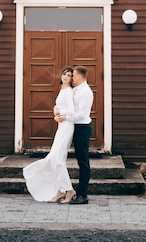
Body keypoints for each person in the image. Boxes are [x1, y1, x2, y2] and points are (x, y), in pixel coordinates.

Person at [23, 67, 76, 203]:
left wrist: (61, 115)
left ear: (72, 79)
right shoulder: (62, 89)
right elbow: (59, 106)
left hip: (67, 126)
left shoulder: (69, 91)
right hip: (62, 125)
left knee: (58, 159)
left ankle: (69, 190)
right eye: (64, 74)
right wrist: (56, 111)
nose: (65, 77)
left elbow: (71, 110)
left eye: (69, 75)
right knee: (56, 158)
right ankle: (59, 191)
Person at [55, 65, 93, 205]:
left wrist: (65, 117)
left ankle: (83, 194)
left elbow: (82, 114)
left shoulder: (85, 92)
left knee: (83, 161)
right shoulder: (75, 89)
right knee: (64, 157)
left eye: (74, 75)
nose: (71, 77)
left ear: (80, 76)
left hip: (82, 128)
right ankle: (63, 190)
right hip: (73, 126)